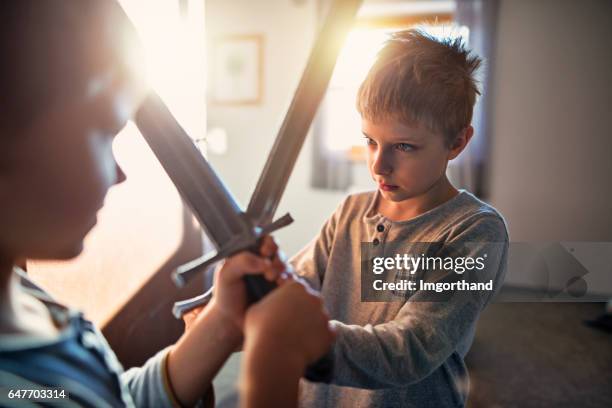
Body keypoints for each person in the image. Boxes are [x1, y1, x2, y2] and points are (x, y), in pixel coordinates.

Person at [0, 1, 333, 407]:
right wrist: (274, 362)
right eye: (105, 131)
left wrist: (222, 324)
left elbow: (108, 400)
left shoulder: (32, 308)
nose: (119, 174)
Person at [292, 29, 509, 407]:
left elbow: (410, 349)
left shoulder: (474, 230)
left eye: (403, 146)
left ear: (456, 142)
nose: (379, 165)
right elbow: (294, 283)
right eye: (371, 141)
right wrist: (237, 296)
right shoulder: (350, 212)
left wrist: (294, 340)